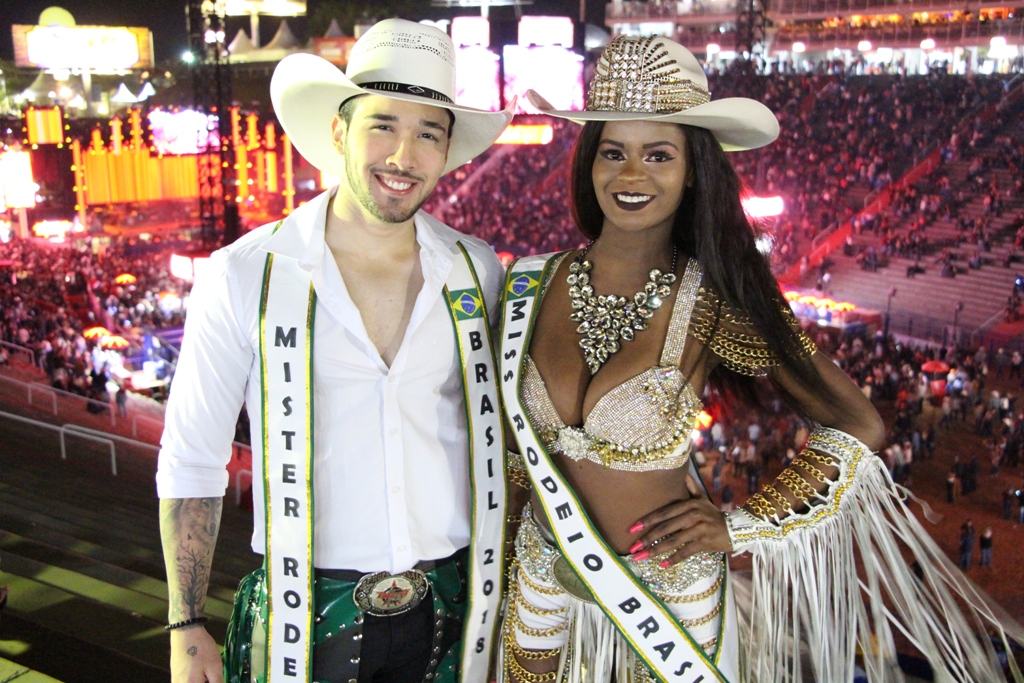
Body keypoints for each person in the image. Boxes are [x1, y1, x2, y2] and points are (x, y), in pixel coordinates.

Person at [495, 35, 1022, 683]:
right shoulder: (531, 283)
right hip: (539, 583)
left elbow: (860, 422)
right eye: (613, 152)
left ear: (693, 169)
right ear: (588, 161)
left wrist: (741, 524)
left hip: (666, 604)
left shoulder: (717, 300)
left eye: (658, 154)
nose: (631, 175)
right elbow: (518, 456)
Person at [156, 20, 512, 683]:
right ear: (340, 132)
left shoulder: (478, 269)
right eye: (383, 124)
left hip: (453, 608)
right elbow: (192, 459)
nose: (403, 154)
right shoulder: (245, 272)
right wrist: (185, 624)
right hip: (303, 614)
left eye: (428, 132)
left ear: (446, 149)